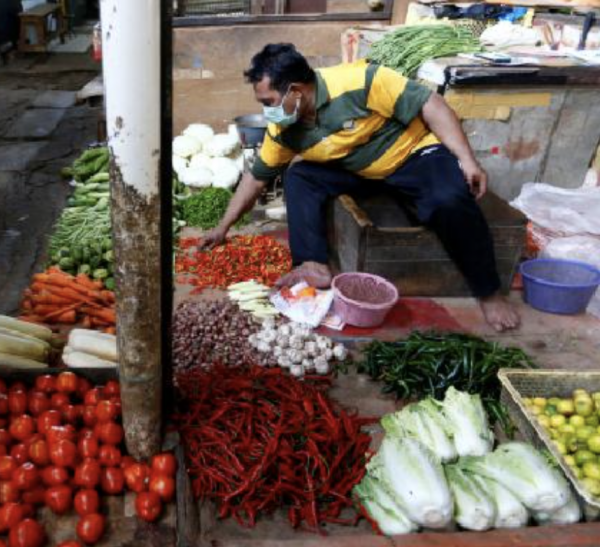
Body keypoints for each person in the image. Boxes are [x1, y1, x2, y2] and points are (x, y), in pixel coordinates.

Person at [201, 43, 520, 331]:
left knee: (449, 201)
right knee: (299, 177)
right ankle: (312, 264)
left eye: (269, 101)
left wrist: (467, 160)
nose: (266, 110)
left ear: (296, 91)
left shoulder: (360, 80)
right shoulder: (284, 129)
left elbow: (431, 105)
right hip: (360, 170)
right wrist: (222, 227)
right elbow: (256, 178)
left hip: (413, 156)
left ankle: (488, 292)